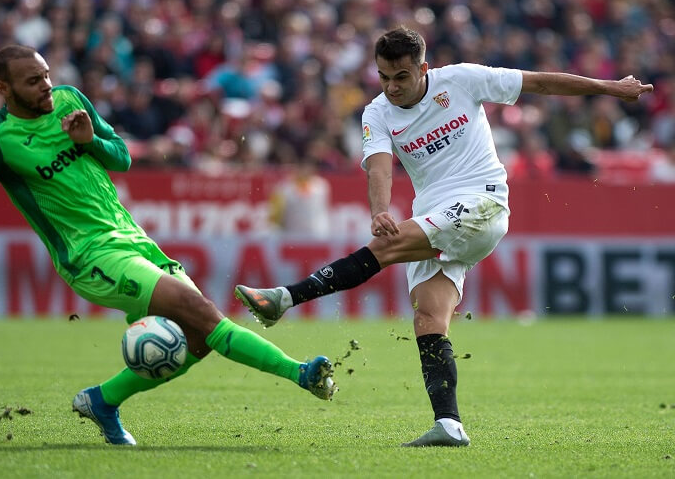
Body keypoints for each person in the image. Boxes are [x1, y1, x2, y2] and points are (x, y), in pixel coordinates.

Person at [0, 45, 337, 446]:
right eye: (33, 81)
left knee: (199, 341)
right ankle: (301, 373)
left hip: (134, 239)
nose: (46, 85)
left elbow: (121, 157)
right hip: (90, 255)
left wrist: (89, 141)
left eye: (46, 74)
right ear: (3, 88)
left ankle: (103, 400)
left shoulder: (70, 100)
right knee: (204, 314)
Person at [234, 27, 653, 447]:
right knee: (429, 319)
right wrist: (380, 208)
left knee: (388, 247)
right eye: (383, 77)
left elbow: (539, 81)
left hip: (481, 202)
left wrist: (611, 88)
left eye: (401, 76)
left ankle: (284, 299)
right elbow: (379, 166)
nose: (392, 86)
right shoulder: (376, 113)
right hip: (434, 217)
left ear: (423, 68)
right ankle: (449, 424)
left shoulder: (462, 79)